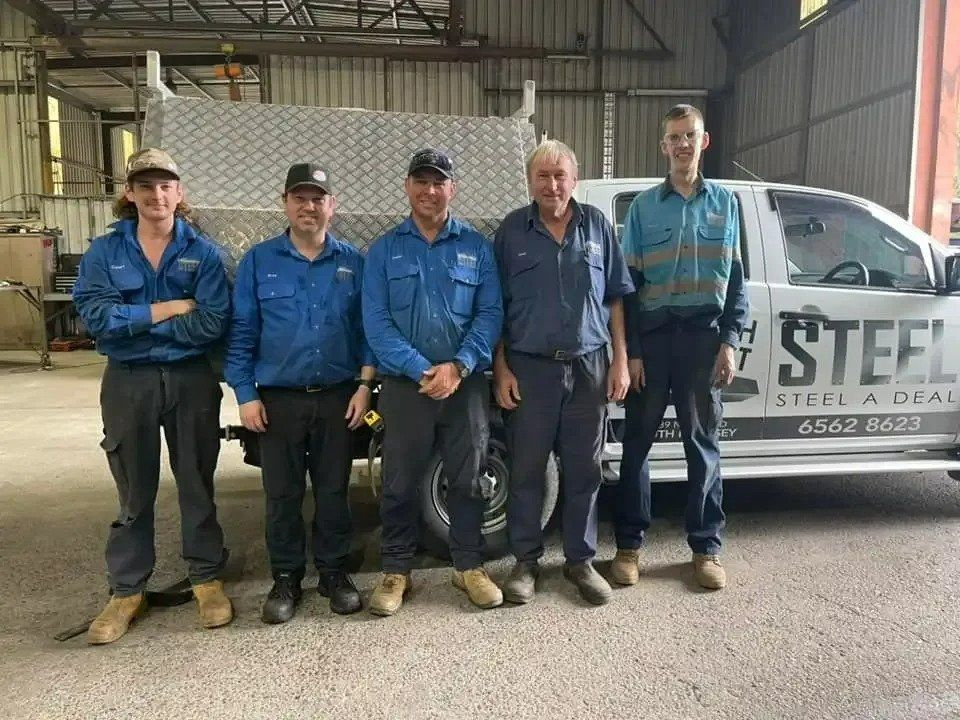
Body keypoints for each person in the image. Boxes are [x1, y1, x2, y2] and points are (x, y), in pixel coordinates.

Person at [73, 148, 233, 644]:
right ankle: (126, 591)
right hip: (128, 382)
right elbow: (95, 319)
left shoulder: (203, 253)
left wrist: (134, 323)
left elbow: (211, 322)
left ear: (179, 193)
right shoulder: (105, 252)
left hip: (190, 381)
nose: (156, 194)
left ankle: (206, 579)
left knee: (196, 484)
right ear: (130, 193)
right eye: (146, 186)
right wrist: (164, 310)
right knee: (132, 491)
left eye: (165, 185)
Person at [225, 163, 376, 623]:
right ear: (285, 202)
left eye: (318, 198)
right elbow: (242, 333)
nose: (309, 206)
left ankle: (333, 573)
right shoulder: (259, 261)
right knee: (283, 495)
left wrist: (365, 386)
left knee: (333, 492)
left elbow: (368, 330)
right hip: (278, 401)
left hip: (337, 397)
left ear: (333, 205)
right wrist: (246, 394)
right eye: (300, 197)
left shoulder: (354, 262)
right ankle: (286, 577)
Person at [613, 104, 750, 590]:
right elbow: (626, 287)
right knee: (637, 445)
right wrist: (630, 353)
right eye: (674, 137)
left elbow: (737, 281)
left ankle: (706, 549)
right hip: (652, 339)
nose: (683, 144)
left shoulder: (727, 205)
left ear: (704, 140)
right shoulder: (644, 208)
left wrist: (730, 341)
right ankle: (628, 546)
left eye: (690, 135)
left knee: (703, 445)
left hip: (702, 339)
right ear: (663, 145)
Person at [362, 149, 503, 615]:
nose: (429, 190)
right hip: (407, 386)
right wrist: (423, 369)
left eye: (438, 182)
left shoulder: (477, 248)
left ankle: (469, 567)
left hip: (466, 385)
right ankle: (395, 571)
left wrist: (458, 366)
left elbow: (490, 314)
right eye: (421, 181)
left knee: (469, 479)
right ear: (407, 186)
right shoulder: (384, 250)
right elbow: (377, 324)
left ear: (452, 189)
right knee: (400, 482)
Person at [493, 139, 634, 606]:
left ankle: (580, 560)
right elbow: (494, 307)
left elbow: (614, 297)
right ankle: (526, 562)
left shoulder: (596, 227)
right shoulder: (512, 231)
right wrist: (501, 368)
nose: (552, 184)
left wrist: (619, 360)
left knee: (584, 470)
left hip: (589, 368)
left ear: (574, 180)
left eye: (560, 176)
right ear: (530, 182)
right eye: (543, 176)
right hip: (530, 370)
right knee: (528, 470)